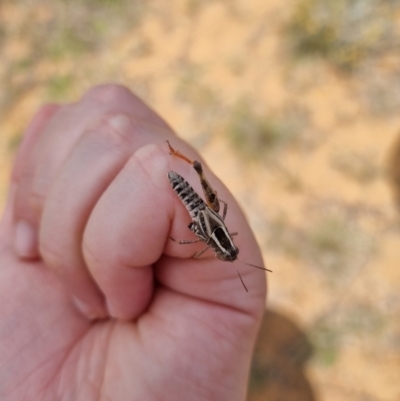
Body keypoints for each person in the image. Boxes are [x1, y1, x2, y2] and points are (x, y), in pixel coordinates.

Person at [0, 84, 267, 400]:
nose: (229, 253)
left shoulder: (211, 243)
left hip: (196, 211)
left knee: (207, 211)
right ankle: (173, 157)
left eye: (229, 253)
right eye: (229, 252)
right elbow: (203, 223)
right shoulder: (212, 237)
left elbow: (197, 230)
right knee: (207, 198)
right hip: (191, 198)